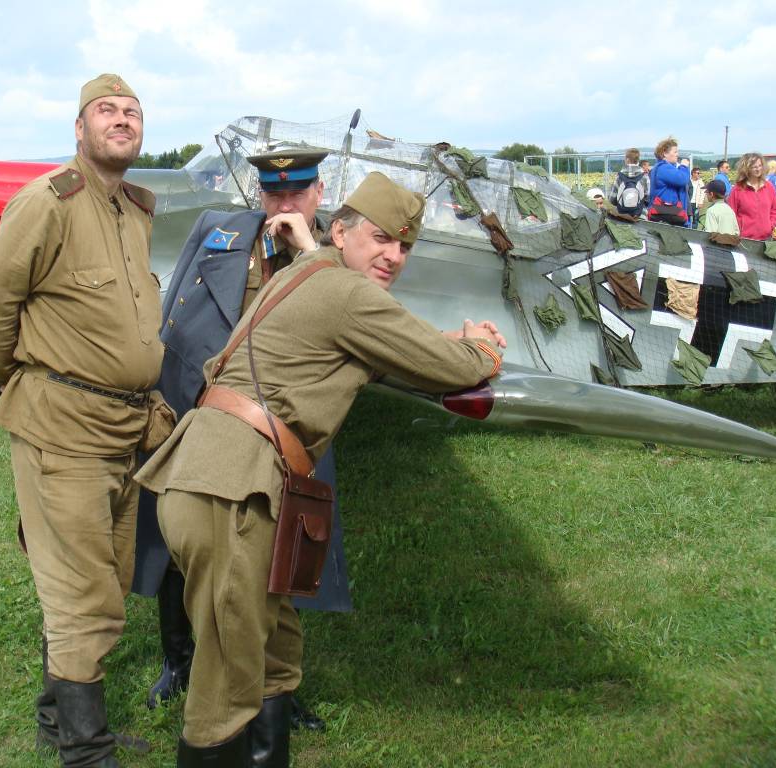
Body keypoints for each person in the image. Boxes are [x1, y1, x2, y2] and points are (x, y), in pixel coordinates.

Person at [136, 172, 507, 766]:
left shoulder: (304, 274)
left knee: (275, 653)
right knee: (226, 684)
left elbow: (373, 344)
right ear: (339, 233)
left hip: (217, 476)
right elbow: (451, 366)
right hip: (231, 492)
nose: (393, 256)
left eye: (404, 246)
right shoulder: (347, 293)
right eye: (381, 238)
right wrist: (481, 346)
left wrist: (439, 342)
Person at [0, 73, 161, 768]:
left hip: (126, 431)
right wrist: (18, 378)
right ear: (79, 128)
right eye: (106, 110)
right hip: (64, 430)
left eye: (132, 112)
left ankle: (57, 718)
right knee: (84, 596)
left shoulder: (134, 210)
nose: (122, 119)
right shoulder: (46, 202)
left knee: (106, 576)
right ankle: (86, 751)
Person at [133, 149, 348, 730]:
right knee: (180, 543)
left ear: (318, 193)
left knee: (282, 549)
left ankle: (277, 689)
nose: (285, 204)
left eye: (297, 193)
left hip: (281, 428)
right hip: (199, 406)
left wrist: (310, 250)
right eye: (274, 193)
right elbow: (174, 306)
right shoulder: (219, 229)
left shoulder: (331, 254)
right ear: (259, 194)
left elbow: (361, 314)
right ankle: (179, 661)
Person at [727, 152, 776, 240]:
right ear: (746, 169)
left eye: (760, 166)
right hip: (744, 239)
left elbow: (775, 209)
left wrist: (771, 225)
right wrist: (738, 230)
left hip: (766, 238)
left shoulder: (769, 187)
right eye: (754, 167)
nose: (758, 169)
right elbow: (730, 214)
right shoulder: (737, 190)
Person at [648, 137, 692, 227]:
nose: (677, 155)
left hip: (666, 215)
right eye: (675, 152)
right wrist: (683, 166)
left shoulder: (662, 167)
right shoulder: (663, 168)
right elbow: (682, 179)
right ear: (665, 153)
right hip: (668, 215)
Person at [609, 148, 650, 217]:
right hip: (639, 214)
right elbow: (647, 198)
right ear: (638, 160)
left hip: (622, 214)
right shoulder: (644, 177)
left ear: (627, 159)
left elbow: (612, 199)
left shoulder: (619, 176)